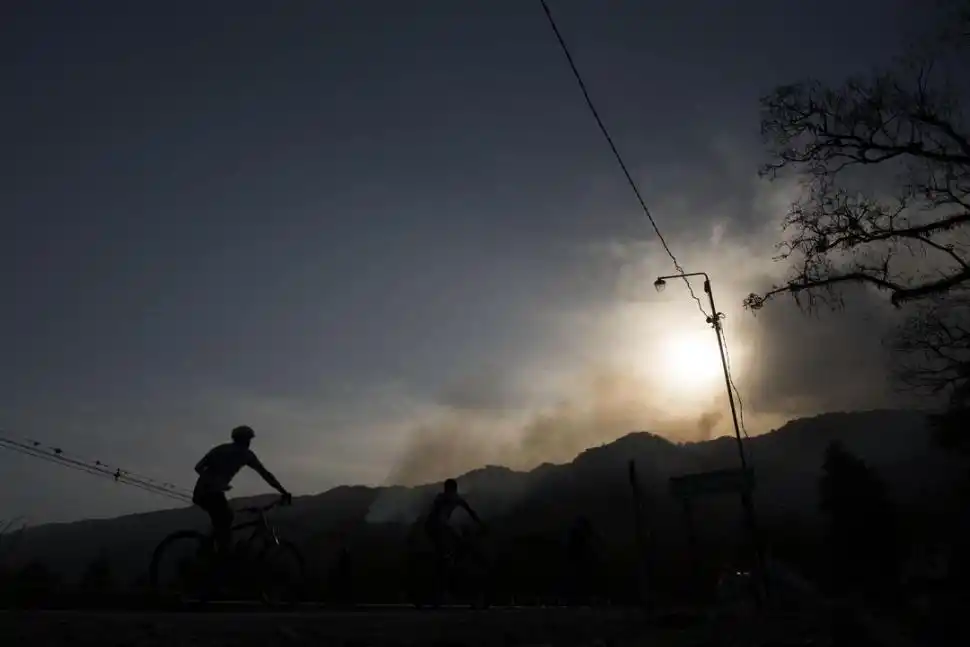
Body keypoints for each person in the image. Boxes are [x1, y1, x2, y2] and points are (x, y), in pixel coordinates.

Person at [192, 425, 291, 557]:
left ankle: (212, 548)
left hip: (203, 491)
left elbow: (198, 467)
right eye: (249, 440)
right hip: (209, 492)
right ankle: (217, 555)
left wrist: (214, 481)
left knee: (224, 520)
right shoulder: (245, 454)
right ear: (246, 440)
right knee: (226, 517)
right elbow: (265, 474)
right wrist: (283, 491)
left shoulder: (220, 449)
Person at [423, 478, 484, 599]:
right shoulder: (450, 498)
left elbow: (469, 511)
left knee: (450, 548)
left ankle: (445, 572)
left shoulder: (442, 497)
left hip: (434, 527)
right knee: (449, 550)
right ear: (454, 489)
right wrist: (481, 524)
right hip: (437, 527)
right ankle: (443, 581)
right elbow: (470, 511)